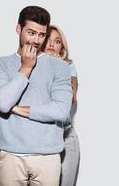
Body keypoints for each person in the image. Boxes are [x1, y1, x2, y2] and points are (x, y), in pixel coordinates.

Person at [0, 6, 72, 186]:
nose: (36, 40)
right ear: (18, 29)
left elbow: (61, 111)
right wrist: (26, 68)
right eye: (31, 33)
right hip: (11, 155)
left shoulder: (60, 67)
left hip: (48, 157)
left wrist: (15, 108)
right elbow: (3, 102)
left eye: (41, 35)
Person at [43, 25, 80, 186]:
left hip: (66, 136)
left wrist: (59, 69)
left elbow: (69, 99)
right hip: (39, 139)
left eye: (57, 41)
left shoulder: (68, 67)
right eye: (48, 40)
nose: (51, 44)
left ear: (62, 47)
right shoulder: (29, 66)